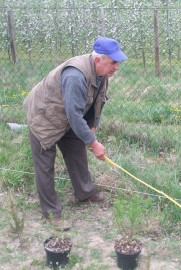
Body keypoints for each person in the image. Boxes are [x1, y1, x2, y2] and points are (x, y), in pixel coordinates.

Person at [24, 37, 127, 230]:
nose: (116, 67)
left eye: (118, 62)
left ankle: (85, 192)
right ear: (98, 60)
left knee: (77, 153)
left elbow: (98, 101)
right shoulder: (75, 75)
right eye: (113, 62)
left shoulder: (102, 74)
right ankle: (52, 213)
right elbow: (73, 115)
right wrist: (93, 143)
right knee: (45, 165)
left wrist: (92, 128)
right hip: (43, 116)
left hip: (66, 116)